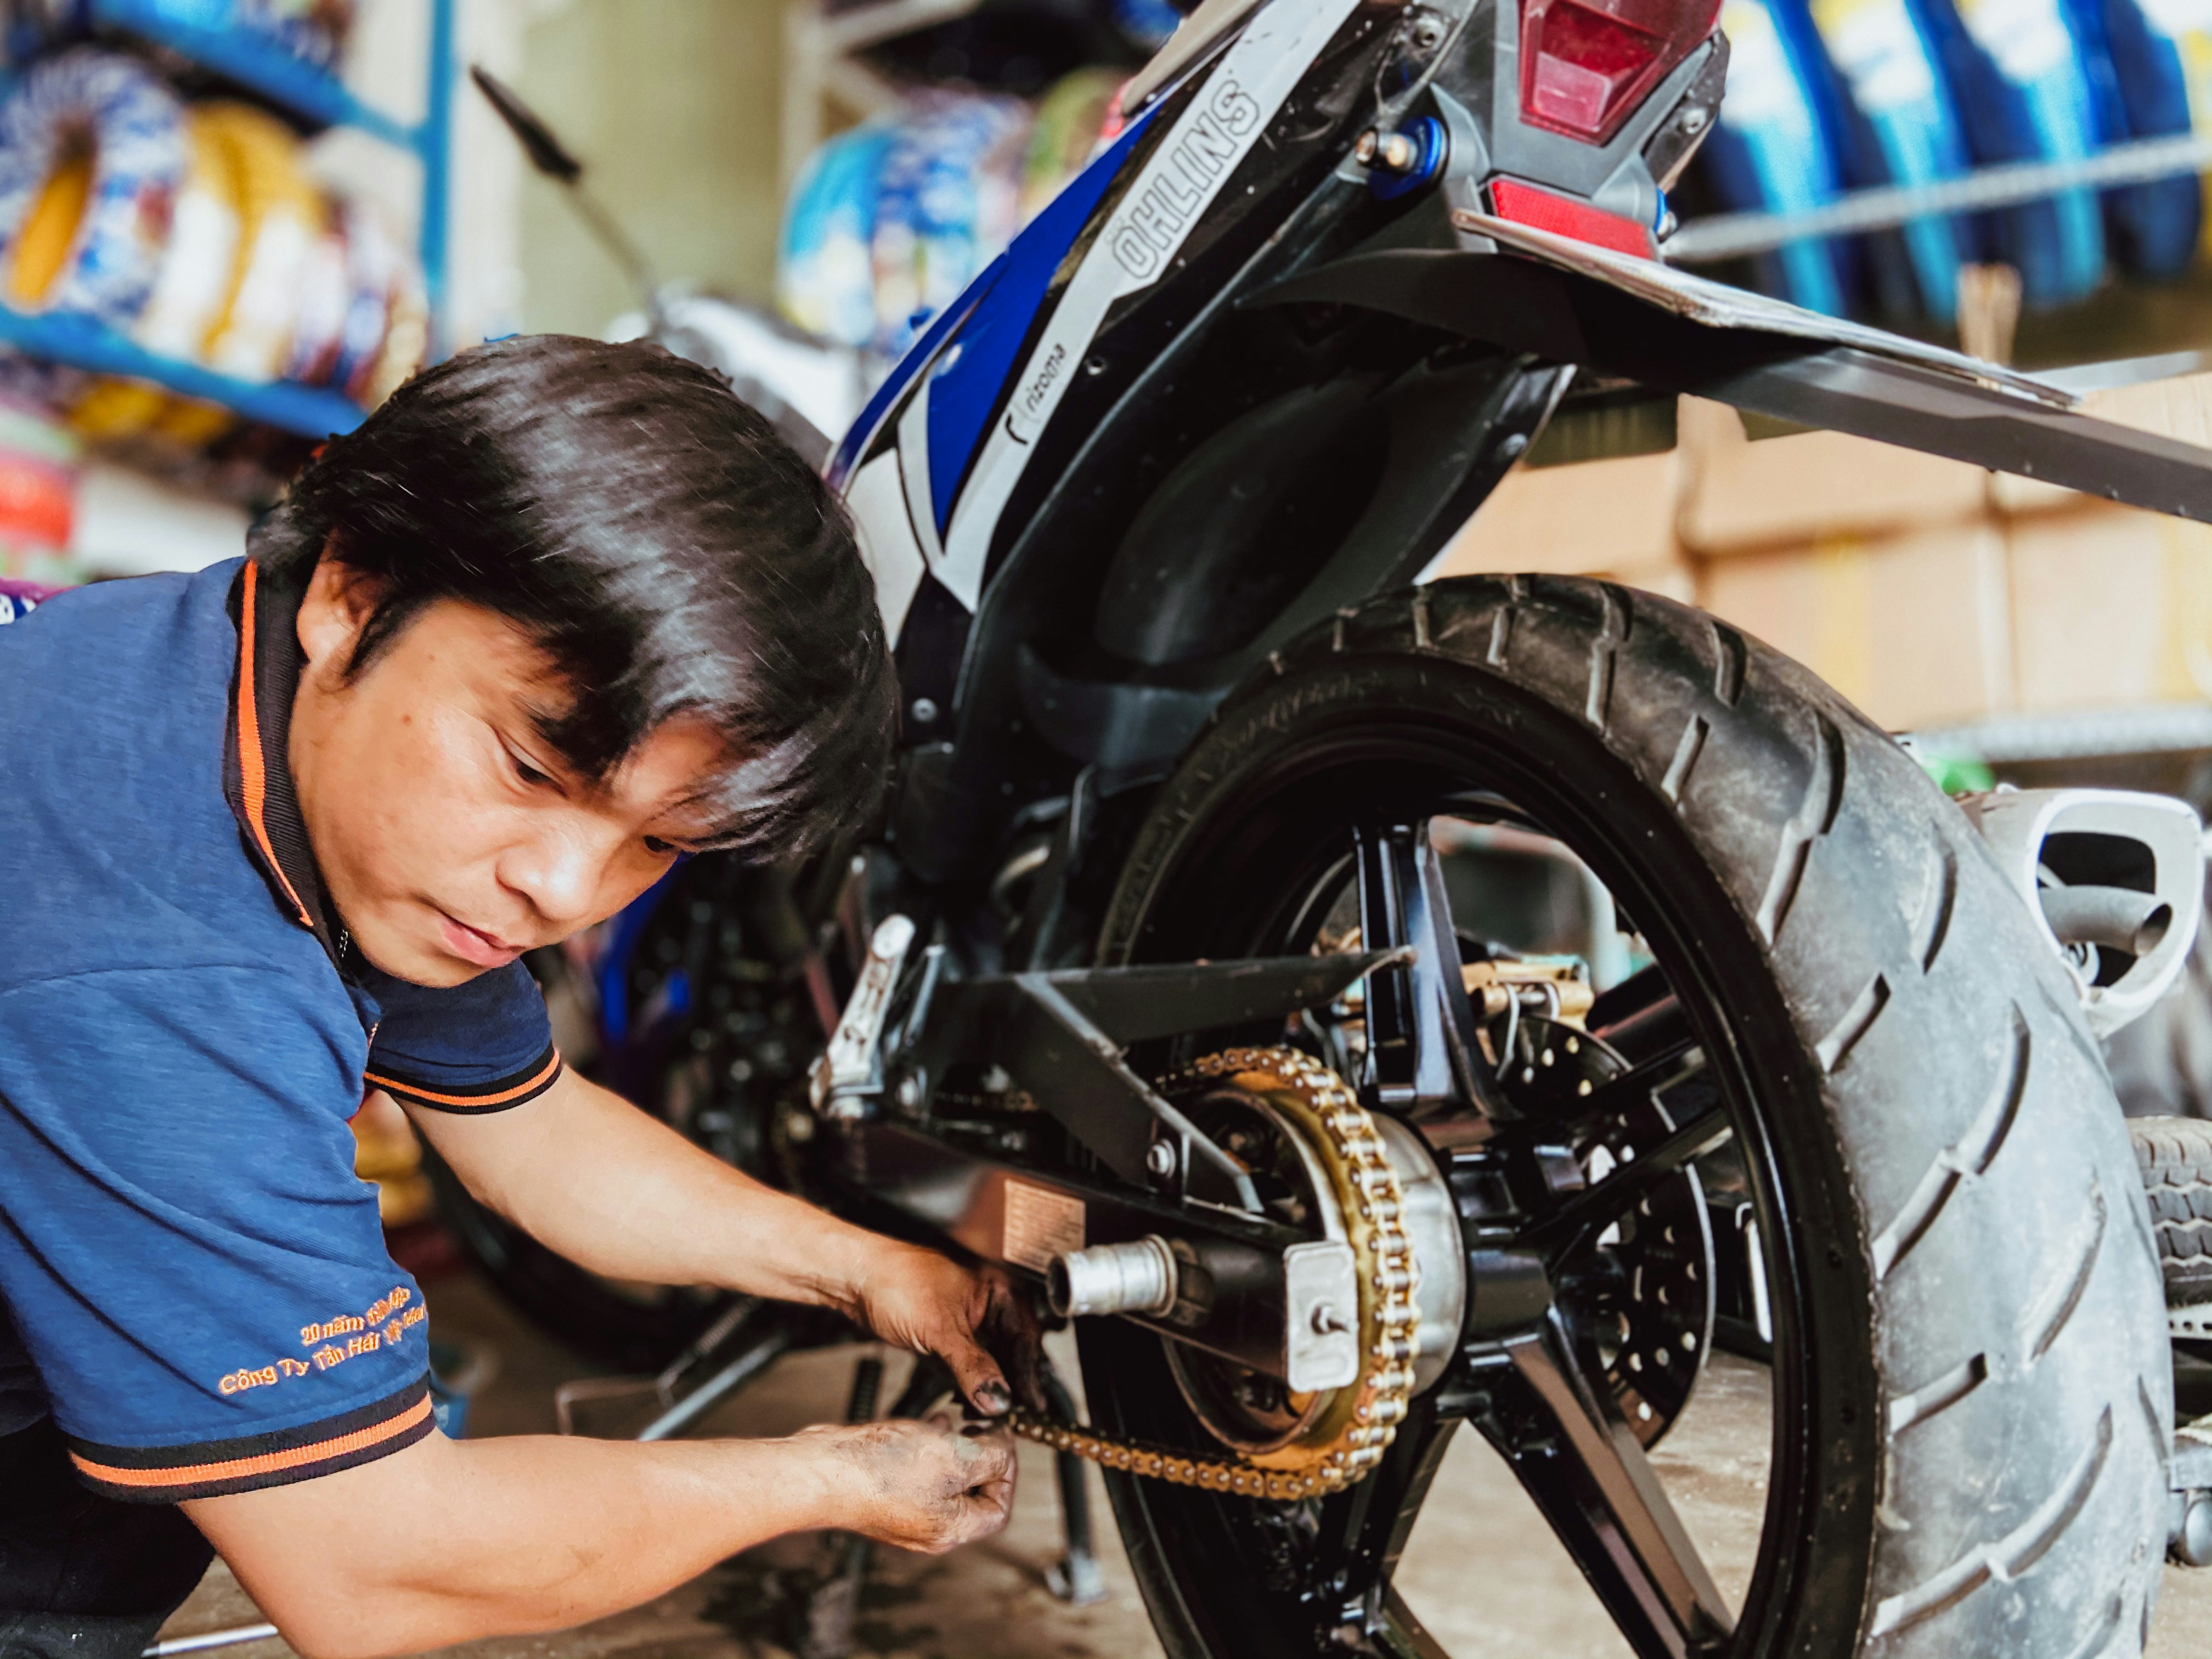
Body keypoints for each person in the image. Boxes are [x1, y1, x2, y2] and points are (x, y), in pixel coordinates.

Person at [0, 336, 1035, 1659]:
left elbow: (533, 1133)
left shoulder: (265, 700)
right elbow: (376, 1568)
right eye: (535, 769)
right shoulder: (151, 947)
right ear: (353, 594)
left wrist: (880, 1271)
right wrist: (835, 1479)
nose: (562, 889)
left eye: (656, 839)